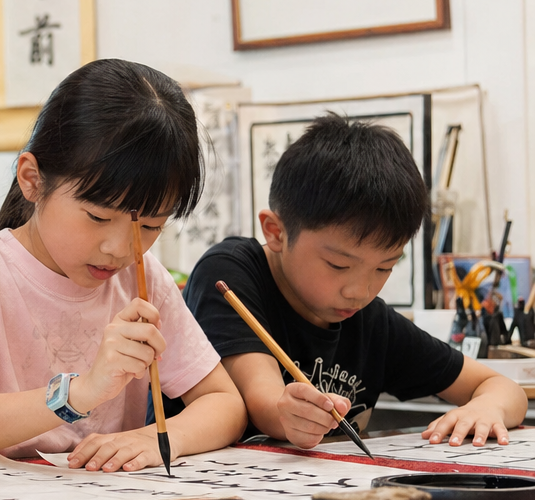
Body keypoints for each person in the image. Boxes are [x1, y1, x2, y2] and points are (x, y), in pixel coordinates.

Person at [0, 59, 247, 472]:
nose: (119, 248)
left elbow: (224, 402)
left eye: (151, 225)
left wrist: (157, 439)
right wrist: (79, 395)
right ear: (32, 179)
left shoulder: (144, 279)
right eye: (98, 217)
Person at [184, 115, 525, 449]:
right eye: (338, 265)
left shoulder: (370, 321)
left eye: (384, 268)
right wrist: (288, 413)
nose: (359, 292)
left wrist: (486, 407)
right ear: (275, 231)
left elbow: (501, 387)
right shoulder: (230, 273)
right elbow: (264, 400)